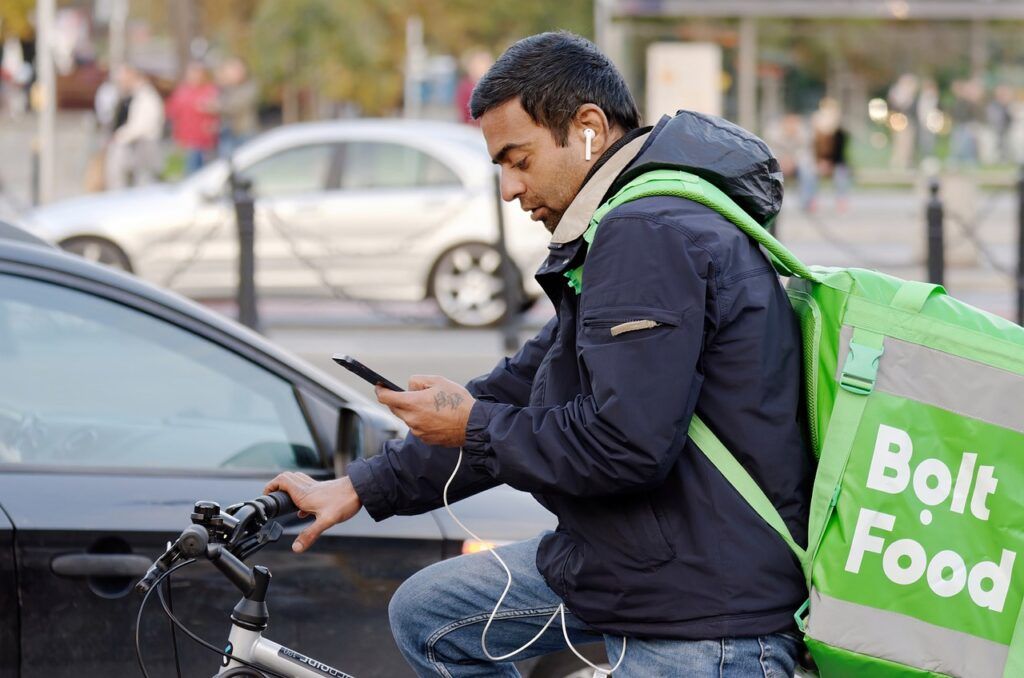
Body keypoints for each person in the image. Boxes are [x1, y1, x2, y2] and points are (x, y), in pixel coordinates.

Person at [267, 31, 809, 677]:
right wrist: (361, 485)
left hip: (700, 612)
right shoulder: (624, 224)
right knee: (429, 614)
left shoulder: (648, 233)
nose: (507, 189)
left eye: (518, 160)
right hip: (638, 565)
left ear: (587, 129)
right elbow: (525, 386)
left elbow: (623, 445)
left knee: (431, 616)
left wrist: (473, 425)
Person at [105, 65, 164, 190]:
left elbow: (142, 126)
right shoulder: (132, 96)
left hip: (143, 146)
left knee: (143, 183)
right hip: (135, 146)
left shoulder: (146, 97)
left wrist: (120, 135)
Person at [165, 60, 219, 174]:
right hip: (185, 139)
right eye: (192, 73)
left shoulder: (210, 90)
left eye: (197, 73)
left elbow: (218, 111)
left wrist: (210, 109)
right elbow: (172, 111)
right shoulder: (182, 91)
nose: (194, 76)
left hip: (204, 140)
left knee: (203, 171)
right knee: (189, 171)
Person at [215, 56, 259, 157]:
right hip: (228, 133)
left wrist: (217, 106)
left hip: (245, 132)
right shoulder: (225, 88)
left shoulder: (249, 87)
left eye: (237, 69)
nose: (235, 73)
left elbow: (234, 106)